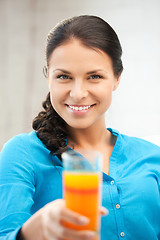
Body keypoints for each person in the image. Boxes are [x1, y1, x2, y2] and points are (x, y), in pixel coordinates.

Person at [0, 15, 160, 240]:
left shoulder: (152, 156)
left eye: (94, 76)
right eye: (64, 76)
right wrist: (30, 232)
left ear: (117, 78)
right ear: (48, 77)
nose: (77, 94)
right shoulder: (21, 154)